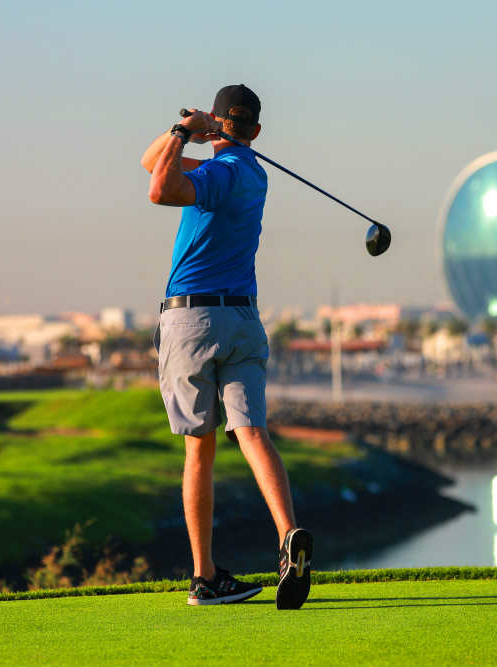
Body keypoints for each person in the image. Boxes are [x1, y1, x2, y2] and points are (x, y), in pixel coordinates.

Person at [141, 84, 312, 609]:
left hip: (192, 318)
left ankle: (205, 576)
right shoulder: (252, 172)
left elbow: (158, 189)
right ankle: (288, 539)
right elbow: (151, 163)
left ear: (218, 122)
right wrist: (192, 134)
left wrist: (182, 131)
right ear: (256, 131)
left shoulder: (216, 173)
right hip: (242, 317)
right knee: (253, 433)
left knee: (200, 447)